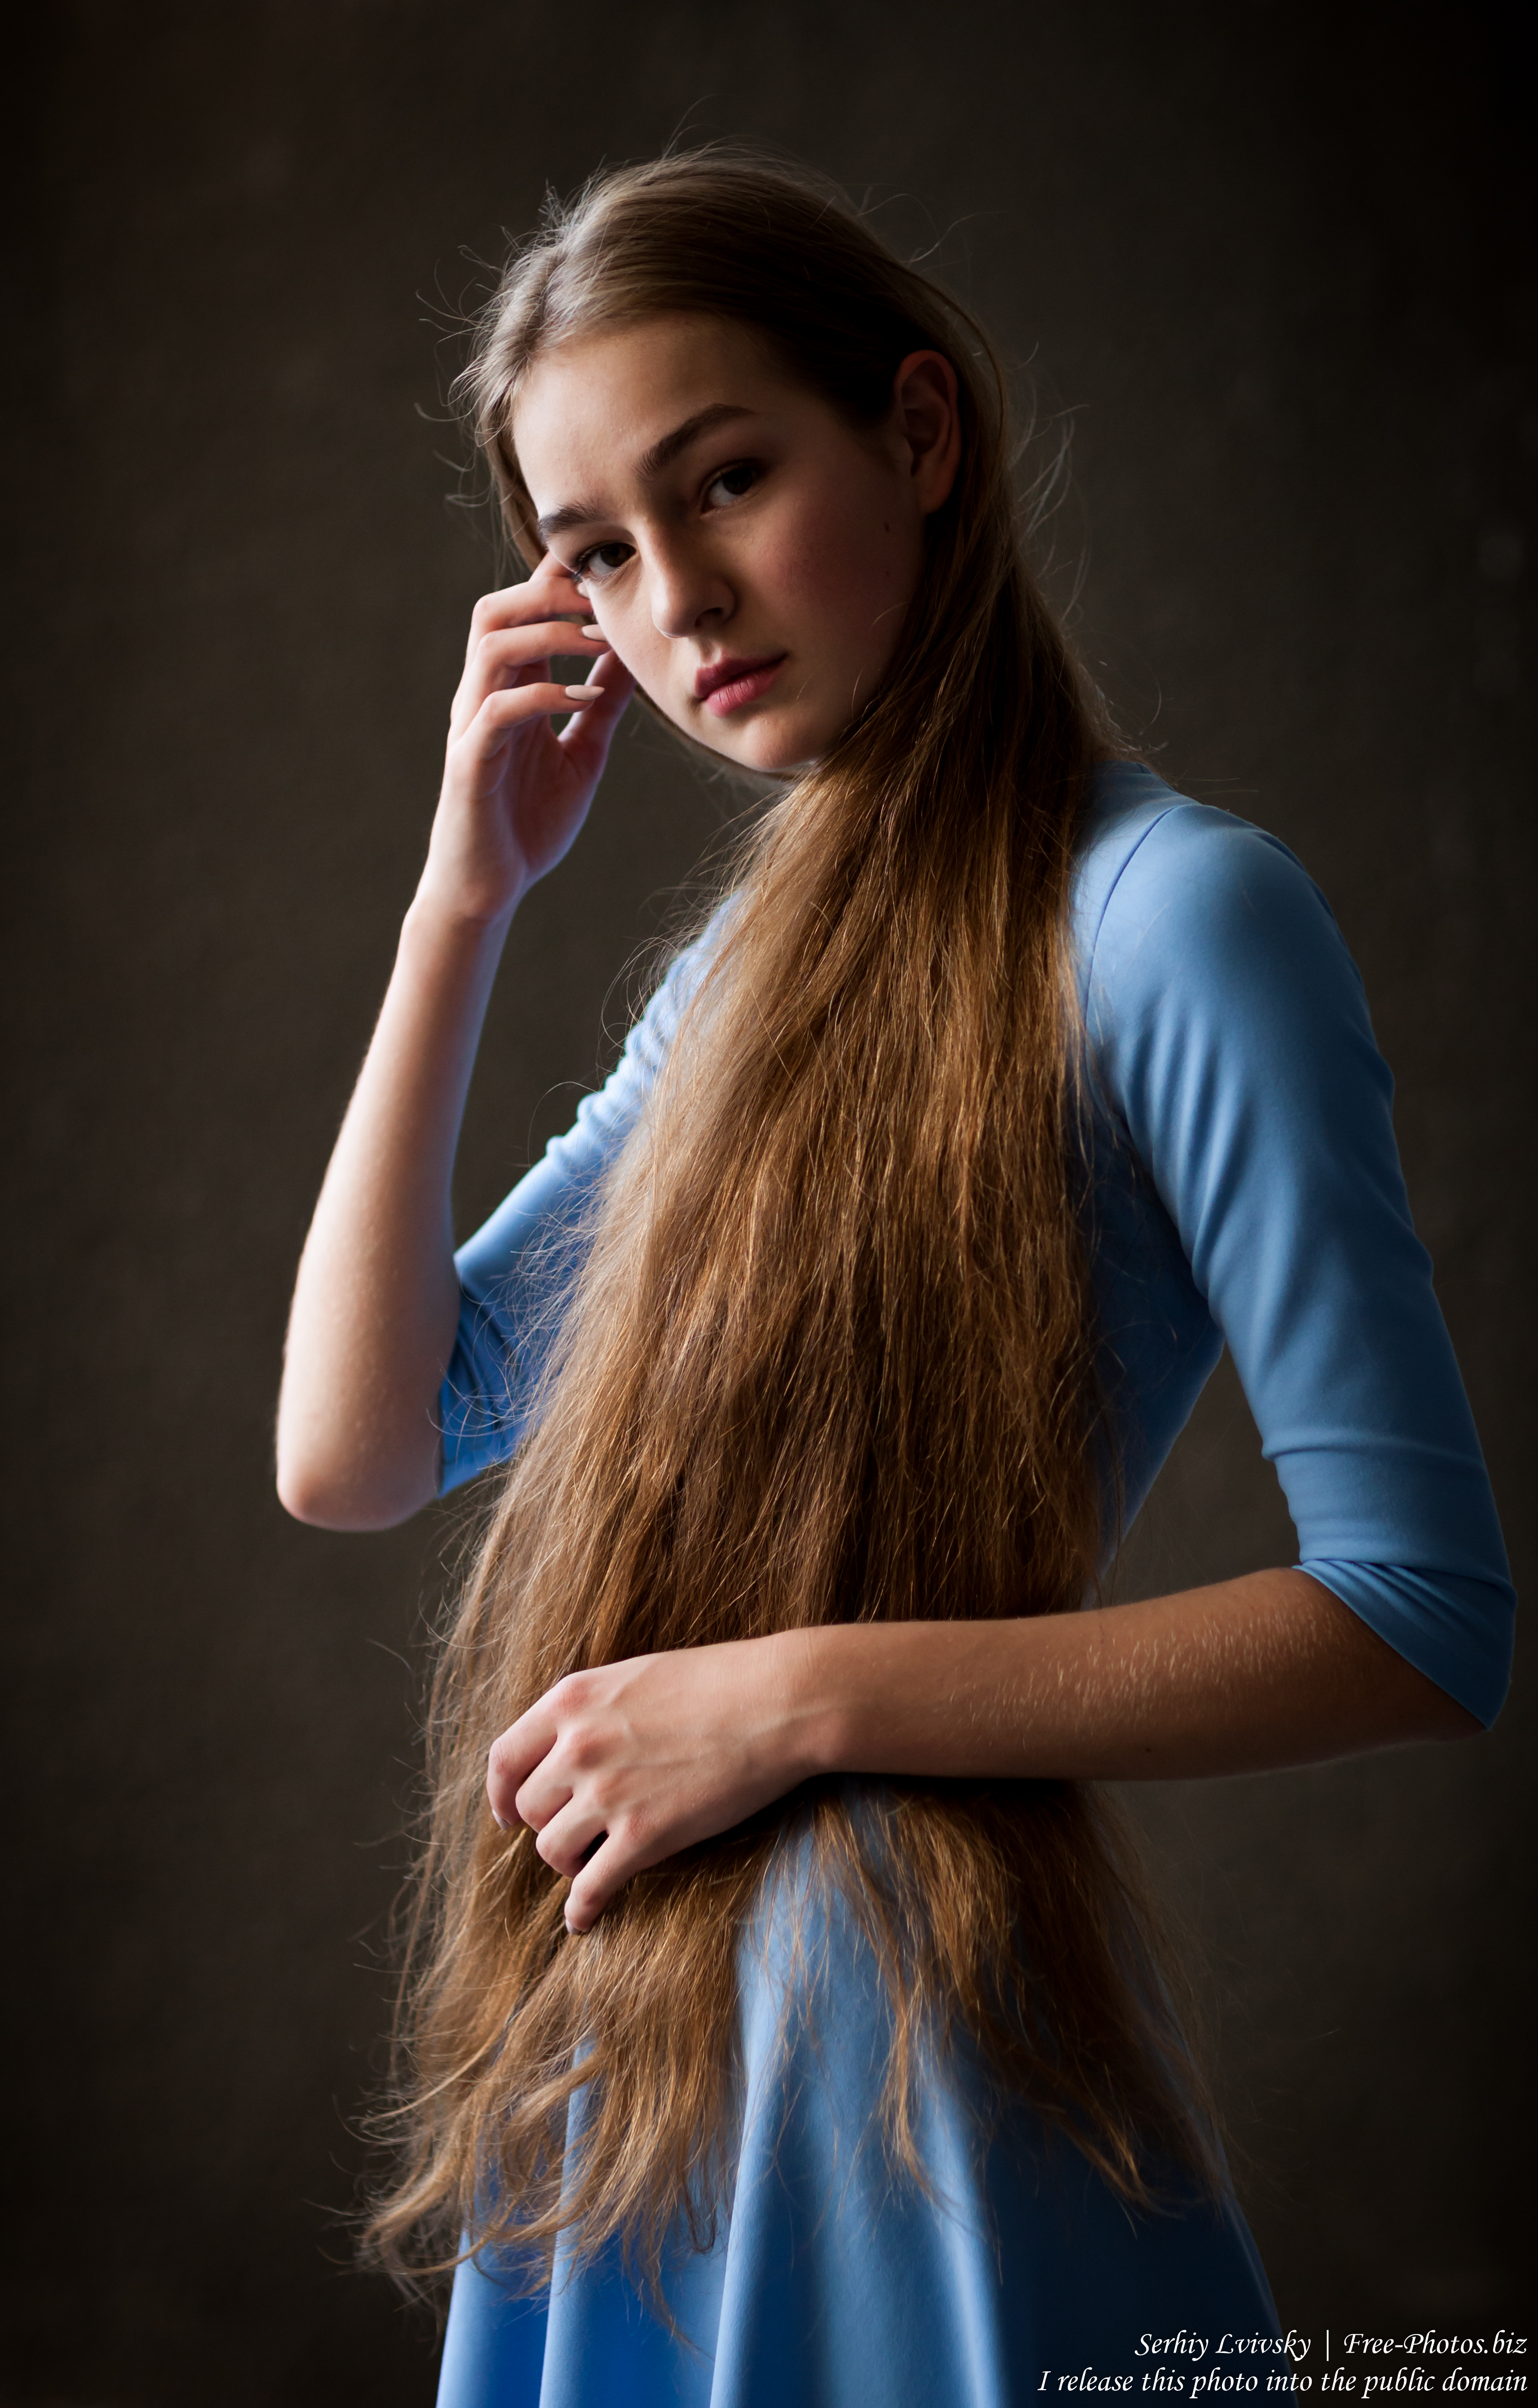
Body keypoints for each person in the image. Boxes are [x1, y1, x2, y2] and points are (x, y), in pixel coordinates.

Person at [275, 152, 1514, 2406]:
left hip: (895, 2062)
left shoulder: (1173, 920)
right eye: (591, 557)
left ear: (917, 438)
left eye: (724, 479)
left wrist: (782, 1701)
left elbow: (1420, 1614)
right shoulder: (745, 975)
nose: (676, 602)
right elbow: (357, 1453)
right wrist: (457, 909)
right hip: (639, 2065)